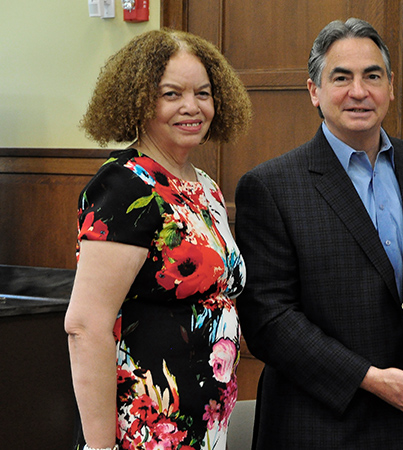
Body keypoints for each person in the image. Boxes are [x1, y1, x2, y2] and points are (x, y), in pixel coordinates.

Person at [234, 18, 403, 449]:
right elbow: (268, 319)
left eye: (372, 76)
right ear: (314, 91)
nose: (359, 91)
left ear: (391, 86)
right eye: (341, 78)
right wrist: (367, 378)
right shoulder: (272, 185)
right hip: (320, 425)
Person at [65, 29, 252, 450]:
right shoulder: (123, 186)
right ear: (139, 101)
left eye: (203, 93)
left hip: (203, 424)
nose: (192, 107)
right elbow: (85, 326)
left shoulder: (204, 185)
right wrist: (100, 448)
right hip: (144, 431)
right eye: (172, 94)